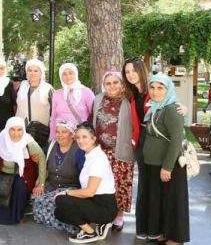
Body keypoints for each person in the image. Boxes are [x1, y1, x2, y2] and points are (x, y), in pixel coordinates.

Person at [136, 75, 190, 245]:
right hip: (154, 163)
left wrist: (167, 167)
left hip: (169, 165)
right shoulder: (157, 107)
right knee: (163, 201)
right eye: (152, 87)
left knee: (173, 202)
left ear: (168, 90)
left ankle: (175, 237)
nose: (155, 91)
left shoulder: (172, 109)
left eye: (160, 88)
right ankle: (166, 232)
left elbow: (176, 140)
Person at [0, 117, 46, 225]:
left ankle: (18, 215)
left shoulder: (28, 142)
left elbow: (41, 159)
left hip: (23, 175)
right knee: (1, 204)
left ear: (23, 130)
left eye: (19, 130)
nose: (16, 133)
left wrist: (41, 182)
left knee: (19, 186)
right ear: (7, 129)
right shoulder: (1, 140)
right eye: (12, 129)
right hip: (3, 175)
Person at [54, 122, 117, 243]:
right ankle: (99, 224)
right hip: (94, 202)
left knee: (61, 200)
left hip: (105, 207)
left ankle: (90, 233)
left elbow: (89, 192)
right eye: (78, 137)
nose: (80, 141)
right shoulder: (89, 155)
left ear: (93, 138)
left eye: (84, 137)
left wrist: (66, 193)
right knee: (59, 212)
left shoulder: (98, 159)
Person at [92, 70, 136, 232]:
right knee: (100, 184)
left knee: (121, 184)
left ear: (122, 83)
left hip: (121, 150)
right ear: (103, 85)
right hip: (100, 152)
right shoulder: (97, 99)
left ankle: (119, 216)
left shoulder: (129, 100)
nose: (112, 86)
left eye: (115, 82)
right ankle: (103, 215)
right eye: (108, 83)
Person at [32, 121, 86, 235]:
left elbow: (85, 174)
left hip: (71, 187)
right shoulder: (51, 145)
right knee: (36, 199)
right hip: (52, 185)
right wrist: (40, 184)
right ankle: (62, 223)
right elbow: (42, 163)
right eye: (57, 132)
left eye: (64, 132)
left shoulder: (79, 151)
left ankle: (71, 226)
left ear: (72, 135)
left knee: (49, 202)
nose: (60, 135)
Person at [50, 63, 95, 140]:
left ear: (76, 74)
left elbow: (94, 115)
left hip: (80, 137)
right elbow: (53, 118)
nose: (68, 76)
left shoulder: (86, 92)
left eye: (71, 73)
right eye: (64, 74)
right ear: (61, 76)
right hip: (61, 138)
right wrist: (52, 138)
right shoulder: (56, 94)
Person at [16, 58, 54, 148]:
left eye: (36, 71)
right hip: (20, 131)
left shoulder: (48, 88)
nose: (32, 73)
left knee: (39, 158)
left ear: (41, 73)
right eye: (30, 70)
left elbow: (55, 110)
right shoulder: (21, 86)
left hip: (41, 132)